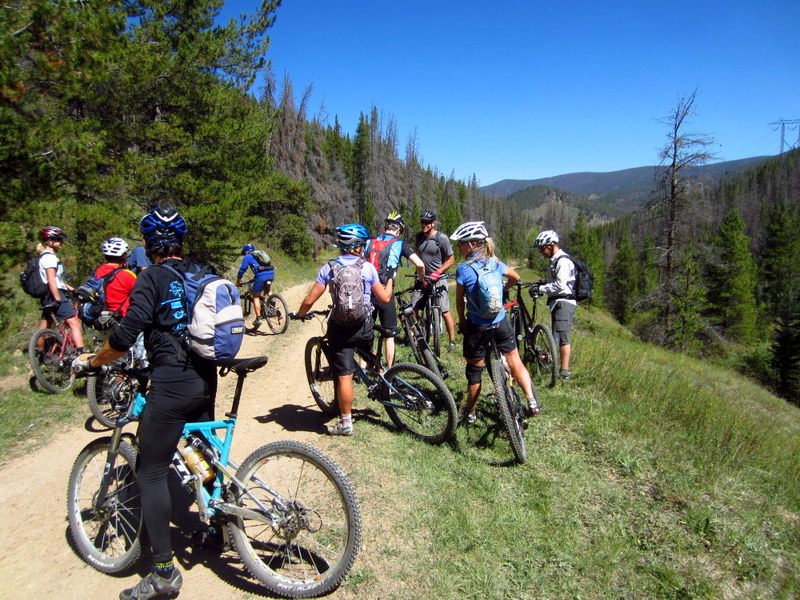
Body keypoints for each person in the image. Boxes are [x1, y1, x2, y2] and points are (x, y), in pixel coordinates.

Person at [73, 207, 217, 600]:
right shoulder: (202, 271)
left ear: (147, 244)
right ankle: (217, 528)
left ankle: (164, 573)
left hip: (172, 380)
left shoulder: (150, 277)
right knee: (205, 453)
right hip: (206, 376)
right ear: (181, 242)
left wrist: (93, 361)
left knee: (152, 472)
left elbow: (125, 336)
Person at [291, 223, 392, 436]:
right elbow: (384, 298)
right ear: (359, 246)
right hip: (363, 325)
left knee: (345, 376)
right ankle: (386, 384)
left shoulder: (329, 268)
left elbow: (310, 300)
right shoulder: (367, 267)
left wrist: (299, 314)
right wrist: (390, 279)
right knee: (368, 354)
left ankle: (346, 424)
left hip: (340, 328)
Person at [451, 221, 540, 421]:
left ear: (473, 244)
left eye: (461, 243)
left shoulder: (463, 269)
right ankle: (532, 401)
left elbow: (459, 301)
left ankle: (470, 412)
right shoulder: (495, 262)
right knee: (515, 360)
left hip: (477, 326)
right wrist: (504, 290)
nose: (459, 247)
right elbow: (516, 277)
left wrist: (462, 321)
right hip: (500, 321)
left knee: (475, 372)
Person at [363, 211, 425, 366]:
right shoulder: (400, 244)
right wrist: (420, 281)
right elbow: (420, 264)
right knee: (389, 334)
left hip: (367, 291)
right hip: (385, 290)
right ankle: (390, 370)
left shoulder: (370, 241)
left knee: (366, 332)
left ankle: (362, 369)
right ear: (398, 230)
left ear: (386, 226)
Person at [530, 230, 576, 381]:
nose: (541, 252)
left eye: (542, 248)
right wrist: (543, 282)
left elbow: (561, 285)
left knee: (563, 336)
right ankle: (554, 364)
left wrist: (542, 289)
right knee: (556, 335)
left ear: (551, 245)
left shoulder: (562, 261)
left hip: (564, 302)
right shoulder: (554, 261)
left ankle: (564, 373)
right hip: (557, 302)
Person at [411, 210, 457, 349]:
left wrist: (438, 272)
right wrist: (419, 272)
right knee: (413, 308)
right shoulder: (418, 237)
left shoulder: (441, 238)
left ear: (433, 223)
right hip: (422, 278)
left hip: (438, 278)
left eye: (427, 222)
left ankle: (452, 341)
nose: (424, 225)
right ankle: (414, 336)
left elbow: (451, 259)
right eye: (422, 222)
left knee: (445, 311)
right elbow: (418, 255)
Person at [35, 226, 85, 353]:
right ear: (50, 241)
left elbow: (57, 279)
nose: (61, 243)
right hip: (55, 293)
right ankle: (82, 353)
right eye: (59, 240)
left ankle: (40, 355)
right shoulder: (50, 258)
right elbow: (52, 280)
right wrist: (58, 299)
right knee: (74, 323)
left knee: (44, 326)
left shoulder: (42, 257)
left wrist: (72, 289)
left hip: (47, 294)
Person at [235, 243, 274, 330]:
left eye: (243, 252)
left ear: (246, 251)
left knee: (255, 296)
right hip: (271, 273)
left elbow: (242, 270)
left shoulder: (247, 257)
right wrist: (255, 277)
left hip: (261, 276)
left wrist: (238, 282)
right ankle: (273, 302)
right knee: (267, 289)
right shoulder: (259, 255)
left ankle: (258, 318)